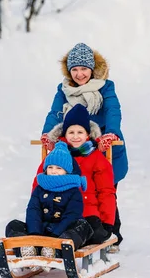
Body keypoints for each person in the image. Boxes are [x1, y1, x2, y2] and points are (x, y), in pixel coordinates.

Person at [40, 42, 128, 250]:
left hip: (104, 146)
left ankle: (111, 231)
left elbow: (113, 109)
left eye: (84, 69)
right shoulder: (64, 90)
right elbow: (55, 113)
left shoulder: (106, 87)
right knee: (74, 188)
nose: (80, 74)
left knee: (104, 190)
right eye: (75, 70)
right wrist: (48, 133)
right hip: (75, 146)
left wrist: (110, 133)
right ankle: (75, 229)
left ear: (92, 69)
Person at [34, 104, 116, 247]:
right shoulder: (56, 156)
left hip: (87, 213)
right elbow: (39, 185)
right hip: (57, 212)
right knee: (42, 226)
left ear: (88, 134)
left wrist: (107, 222)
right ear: (64, 134)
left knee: (86, 229)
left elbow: (106, 191)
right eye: (71, 132)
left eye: (80, 132)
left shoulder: (96, 158)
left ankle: (63, 246)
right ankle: (34, 245)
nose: (76, 137)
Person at [5, 142, 94, 259]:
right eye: (50, 167)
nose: (53, 171)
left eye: (59, 168)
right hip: (41, 230)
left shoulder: (73, 191)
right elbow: (33, 210)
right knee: (13, 225)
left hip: (62, 233)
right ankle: (27, 248)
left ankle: (55, 251)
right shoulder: (40, 188)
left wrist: (55, 235)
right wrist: (34, 234)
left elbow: (72, 215)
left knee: (82, 226)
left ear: (67, 171)